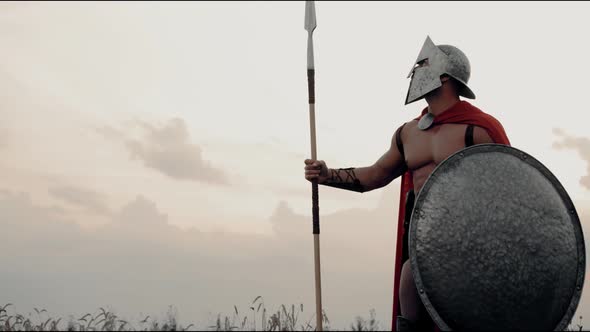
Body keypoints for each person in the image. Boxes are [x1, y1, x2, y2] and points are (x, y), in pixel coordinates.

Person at [303, 36, 510, 331]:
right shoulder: (408, 133)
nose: (415, 71)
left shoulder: (479, 129)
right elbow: (376, 175)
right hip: (423, 238)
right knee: (411, 289)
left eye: (423, 64)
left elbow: (511, 192)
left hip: (470, 241)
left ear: (444, 76)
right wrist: (327, 175)